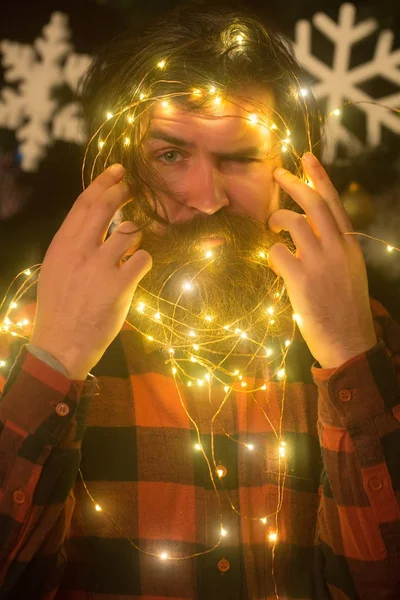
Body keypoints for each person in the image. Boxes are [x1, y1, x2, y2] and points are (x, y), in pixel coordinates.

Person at [0, 5, 399, 599]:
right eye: (169, 155)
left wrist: (349, 354)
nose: (208, 198)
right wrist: (55, 360)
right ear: (117, 166)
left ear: (286, 167)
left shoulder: (361, 334)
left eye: (240, 158)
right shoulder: (32, 334)